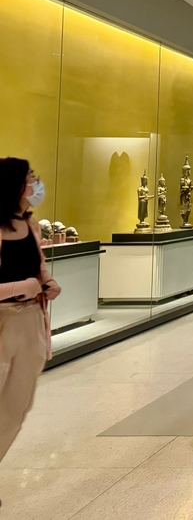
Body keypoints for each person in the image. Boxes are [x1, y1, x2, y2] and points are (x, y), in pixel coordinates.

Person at [0, 158, 62, 473]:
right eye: (31, 178)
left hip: (30, 322)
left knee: (17, 405)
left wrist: (47, 282)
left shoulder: (31, 224)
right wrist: (21, 287)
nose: (36, 183)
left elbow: (38, 267)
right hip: (4, 321)